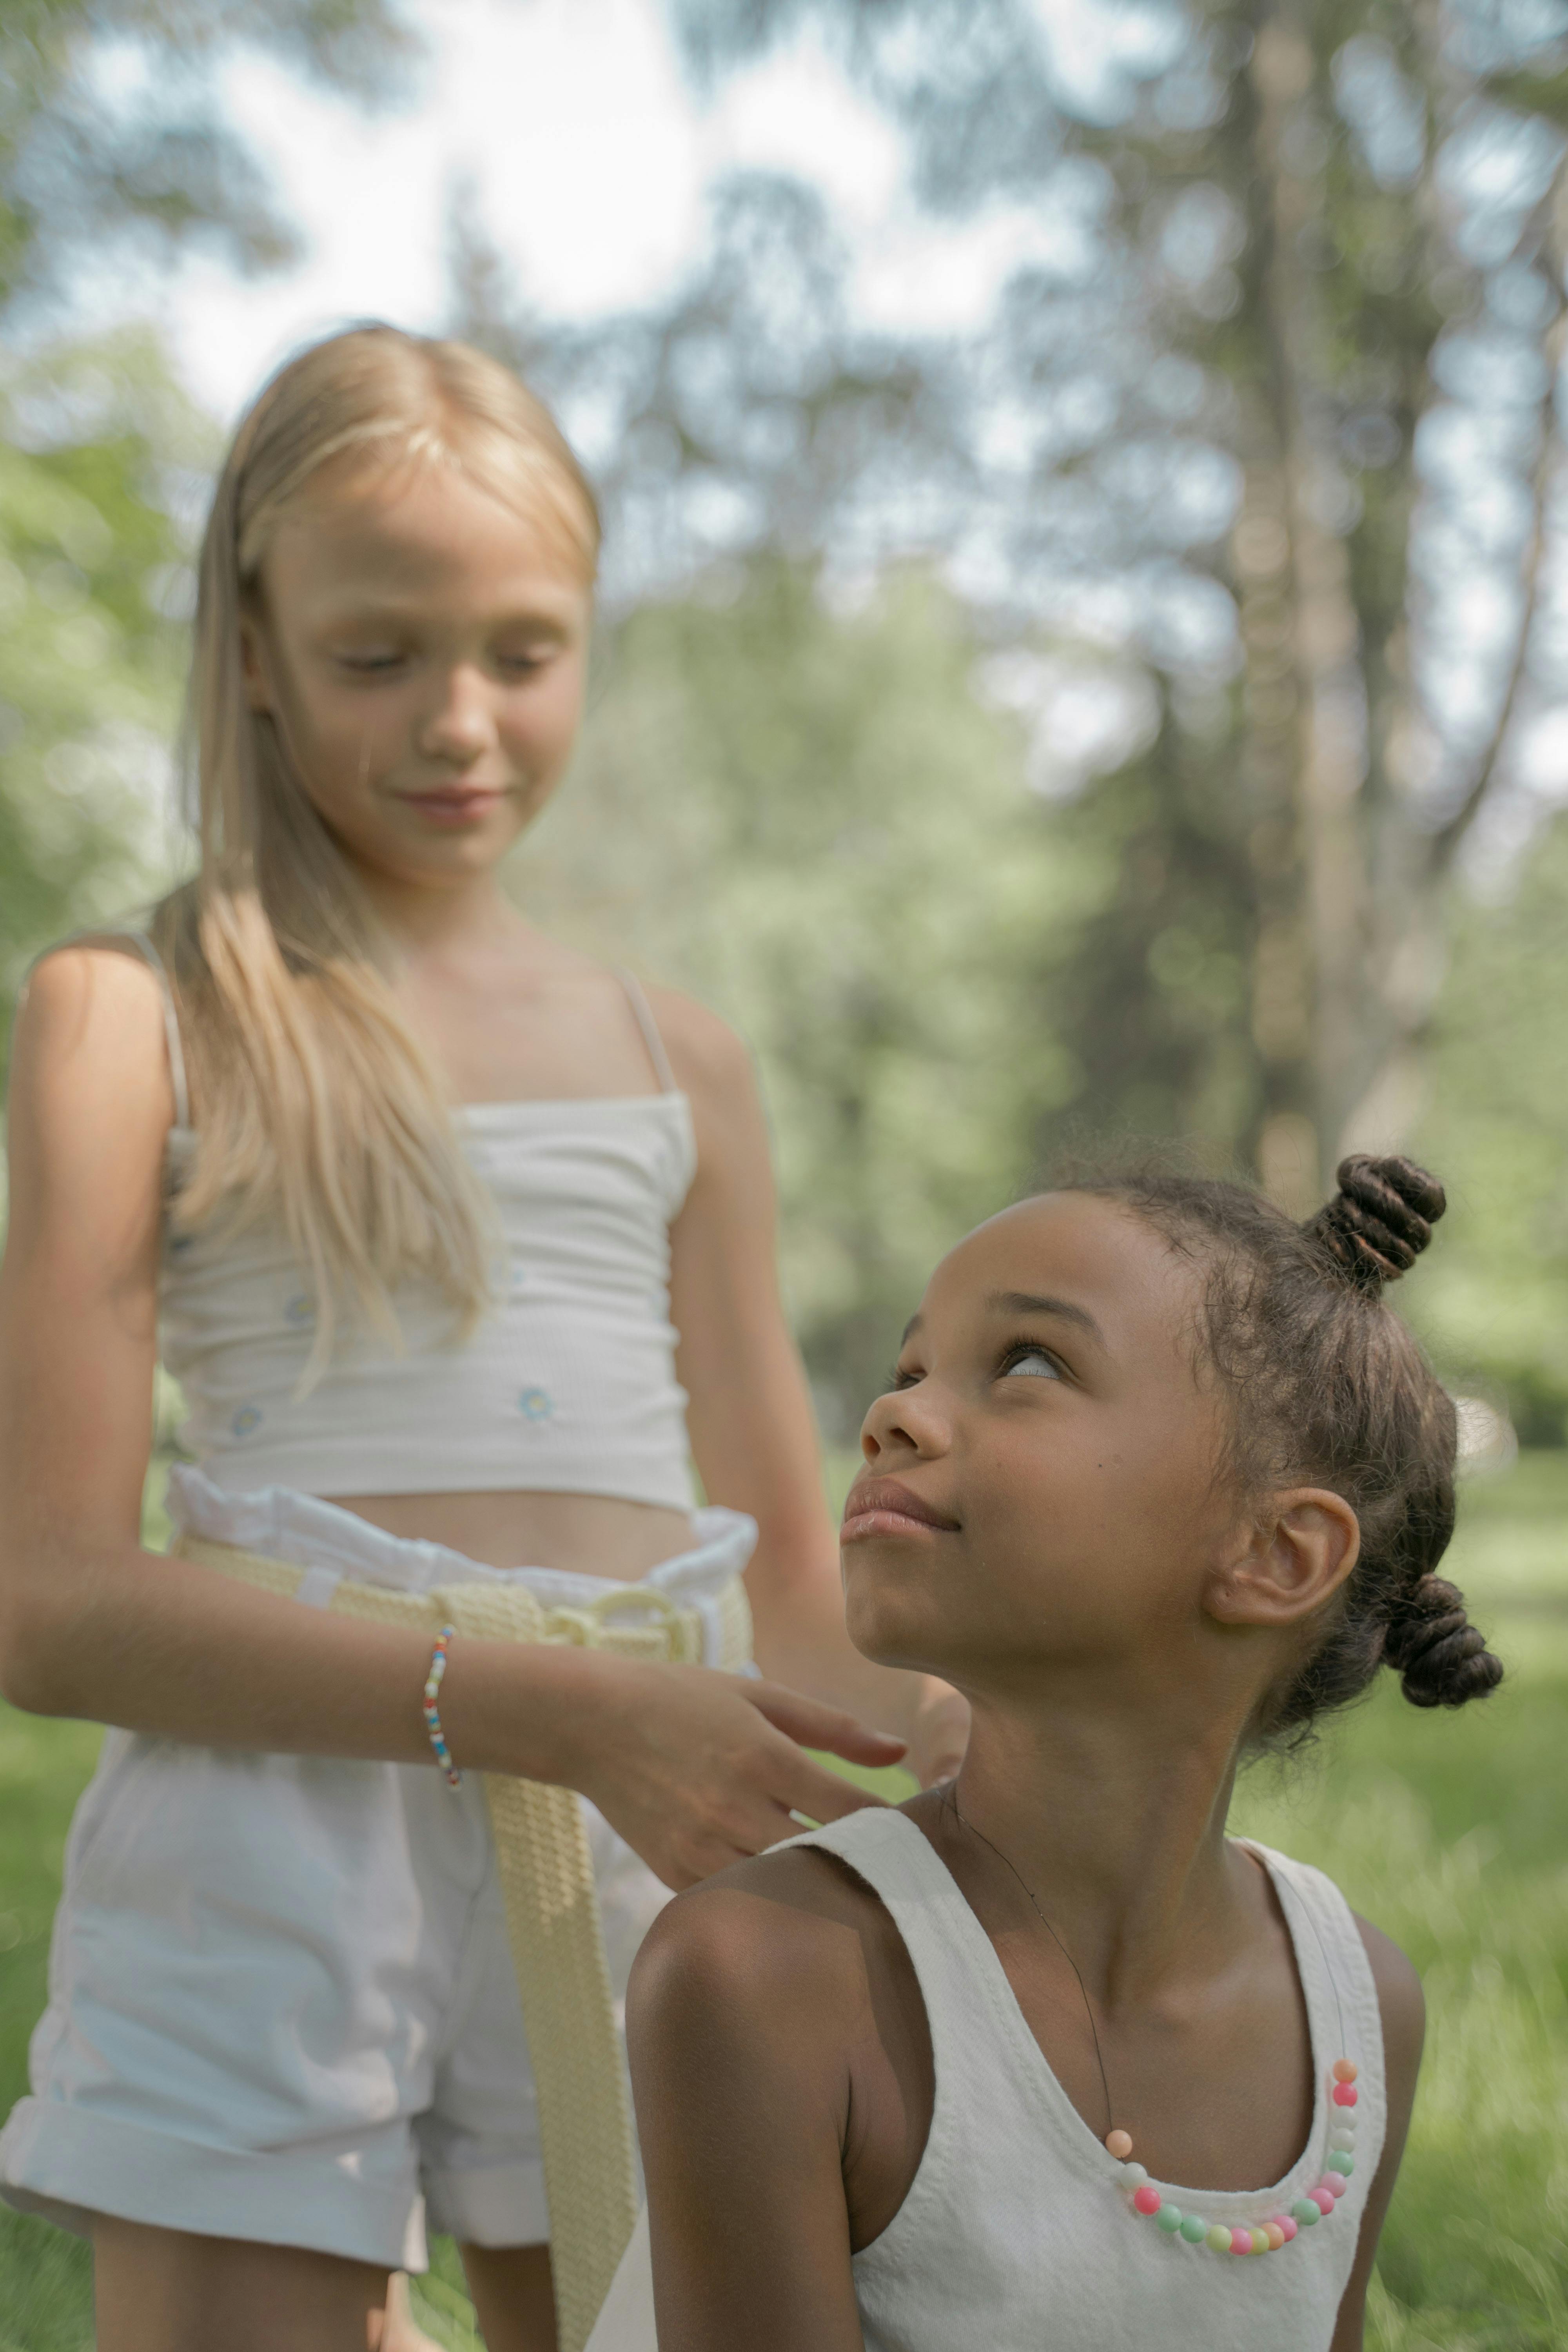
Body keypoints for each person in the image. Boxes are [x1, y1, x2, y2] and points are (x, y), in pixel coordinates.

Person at [0, 325, 968, 2352]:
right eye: (379, 655)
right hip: (275, 1844)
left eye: (527, 652)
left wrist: (962, 1747)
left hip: (647, 1839)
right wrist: (538, 1709)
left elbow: (793, 1575)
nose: (462, 721)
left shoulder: (672, 1059)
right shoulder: (133, 1011)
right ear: (251, 647)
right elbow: (46, 1600)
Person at [626, 1153, 1504, 2352]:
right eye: (911, 1368)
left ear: (1279, 1555)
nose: (896, 1413)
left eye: (1028, 1364)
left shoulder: (1356, 2008)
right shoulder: (767, 1975)